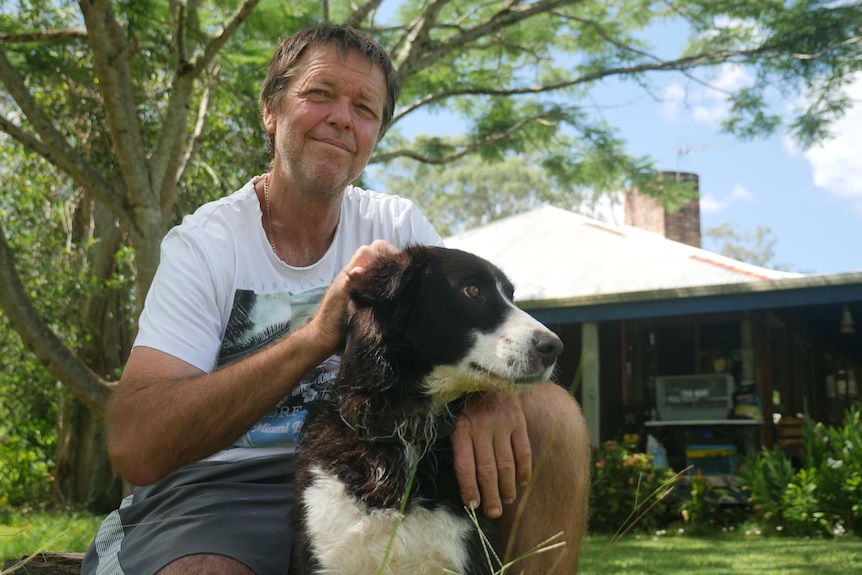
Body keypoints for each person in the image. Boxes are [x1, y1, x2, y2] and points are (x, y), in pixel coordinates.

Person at [82, 23, 590, 575]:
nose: (342, 118)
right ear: (271, 111)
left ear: (374, 136)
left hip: (383, 464)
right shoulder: (205, 246)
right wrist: (314, 337)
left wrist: (493, 395)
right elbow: (136, 446)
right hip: (224, 489)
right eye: (319, 94)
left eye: (364, 108)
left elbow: (471, 336)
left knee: (550, 411)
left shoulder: (397, 226)